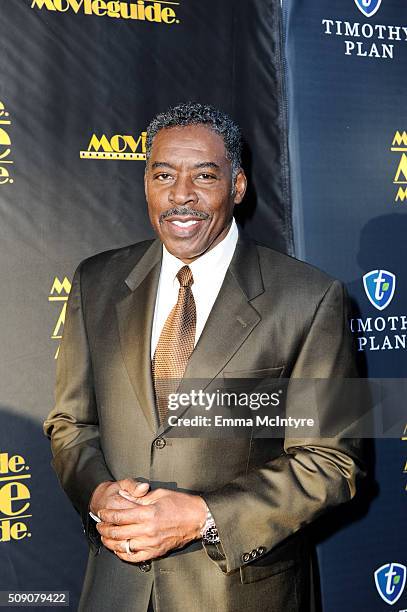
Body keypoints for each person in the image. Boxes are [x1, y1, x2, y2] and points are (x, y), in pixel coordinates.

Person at [44, 102, 363, 612]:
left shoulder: (309, 297)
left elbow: (331, 461)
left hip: (239, 592)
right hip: (116, 589)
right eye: (163, 175)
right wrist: (98, 495)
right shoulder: (96, 281)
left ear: (237, 186)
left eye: (204, 175)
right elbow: (70, 422)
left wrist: (202, 516)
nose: (181, 196)